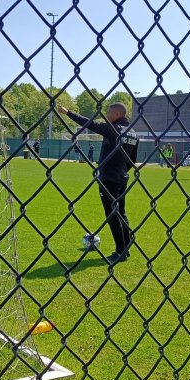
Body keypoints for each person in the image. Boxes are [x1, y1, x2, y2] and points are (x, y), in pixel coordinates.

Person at [57, 102, 139, 267]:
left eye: (109, 112)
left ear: (117, 114)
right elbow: (133, 160)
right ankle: (126, 247)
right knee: (121, 212)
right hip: (122, 177)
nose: (107, 115)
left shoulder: (112, 129)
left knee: (112, 215)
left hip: (108, 178)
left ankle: (119, 251)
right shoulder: (133, 133)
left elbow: (91, 124)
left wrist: (69, 113)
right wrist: (121, 170)